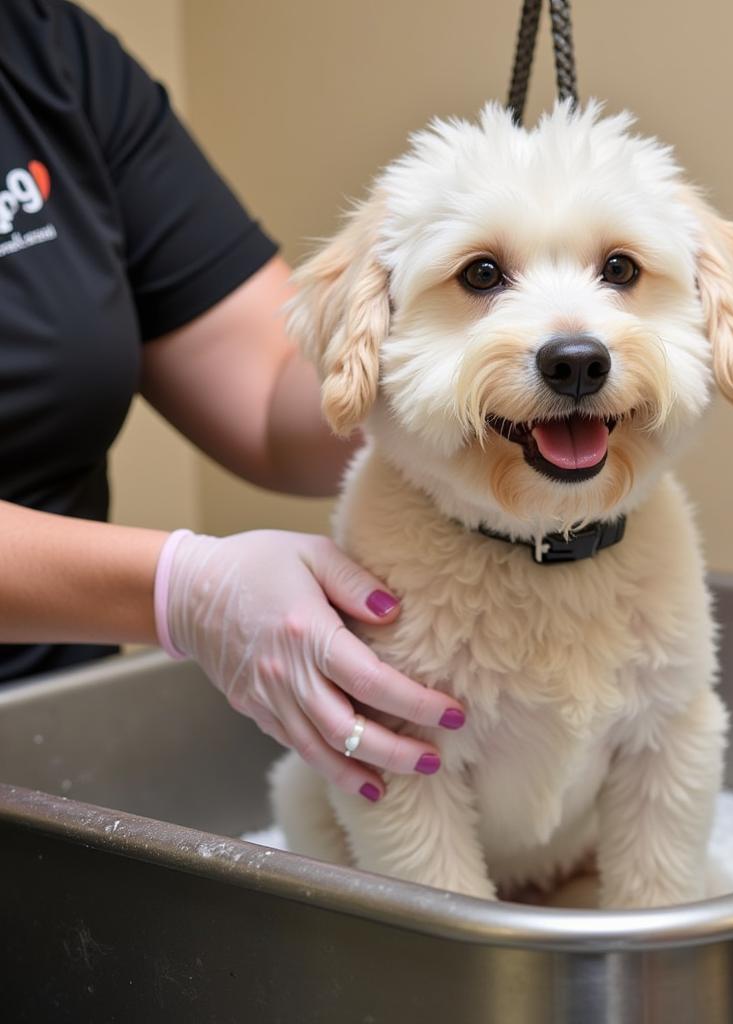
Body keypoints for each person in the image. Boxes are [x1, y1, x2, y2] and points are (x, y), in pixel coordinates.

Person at [0, 0, 465, 803]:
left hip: (48, 742)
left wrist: (453, 327)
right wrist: (183, 587)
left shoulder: (44, 51)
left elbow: (264, 390)